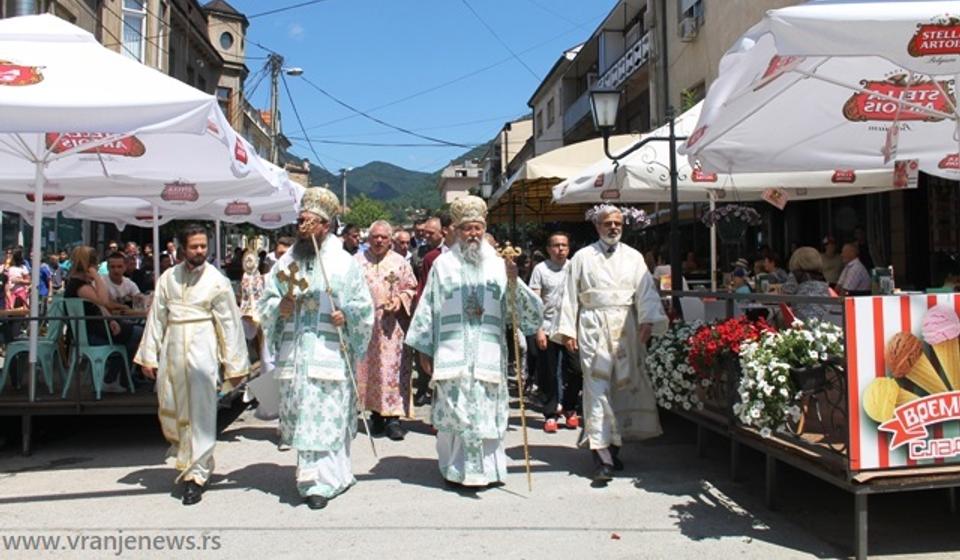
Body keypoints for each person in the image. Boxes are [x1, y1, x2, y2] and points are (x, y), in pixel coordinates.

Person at [406, 196, 543, 488]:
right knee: (456, 414)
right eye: (467, 228)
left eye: (477, 228)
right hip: (451, 353)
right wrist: (424, 349)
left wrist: (514, 280)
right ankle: (455, 470)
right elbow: (428, 306)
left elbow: (521, 313)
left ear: (484, 229)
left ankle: (489, 470)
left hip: (487, 353)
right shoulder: (443, 265)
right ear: (456, 231)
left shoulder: (499, 265)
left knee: (486, 413)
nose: (473, 234)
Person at [258, 186, 374, 510]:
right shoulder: (287, 262)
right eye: (300, 221)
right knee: (305, 418)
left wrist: (346, 315)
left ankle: (327, 480)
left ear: (325, 225)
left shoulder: (344, 263)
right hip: (297, 356)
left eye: (310, 222)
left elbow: (363, 308)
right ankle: (311, 479)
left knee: (328, 418)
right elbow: (267, 301)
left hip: (330, 355)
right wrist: (279, 307)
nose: (303, 227)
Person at [134, 225, 249, 506]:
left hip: (202, 352)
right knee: (172, 406)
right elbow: (157, 317)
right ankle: (186, 460)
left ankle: (196, 474)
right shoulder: (168, 278)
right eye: (194, 246)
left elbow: (229, 323)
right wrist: (149, 355)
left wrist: (234, 364)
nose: (199, 251)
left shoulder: (217, 280)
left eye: (203, 246)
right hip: (172, 349)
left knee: (202, 412)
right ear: (183, 248)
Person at [553, 204, 668, 484]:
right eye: (608, 223)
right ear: (597, 226)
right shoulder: (582, 257)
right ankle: (601, 457)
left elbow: (646, 291)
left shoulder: (634, 257)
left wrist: (648, 320)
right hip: (593, 328)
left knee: (622, 390)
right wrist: (568, 330)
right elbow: (569, 295)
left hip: (626, 329)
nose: (613, 227)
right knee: (597, 390)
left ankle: (613, 448)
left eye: (618, 223)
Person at [354, 220, 418, 440]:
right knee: (370, 369)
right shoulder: (357, 261)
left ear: (390, 240)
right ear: (368, 238)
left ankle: (393, 419)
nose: (379, 240)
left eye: (383, 237)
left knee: (392, 370)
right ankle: (376, 416)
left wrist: (399, 300)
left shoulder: (400, 263)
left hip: (392, 328)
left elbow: (411, 288)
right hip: (365, 327)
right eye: (375, 237)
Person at [64, 246, 140, 394]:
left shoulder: (77, 284)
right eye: (97, 265)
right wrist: (97, 276)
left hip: (95, 330)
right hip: (92, 334)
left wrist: (111, 320)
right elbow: (103, 300)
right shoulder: (81, 287)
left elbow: (98, 306)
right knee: (138, 333)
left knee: (132, 336)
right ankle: (114, 378)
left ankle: (118, 377)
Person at [529, 232, 581, 433]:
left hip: (571, 328)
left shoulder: (575, 267)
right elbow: (535, 301)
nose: (560, 249)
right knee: (549, 372)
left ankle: (569, 407)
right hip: (548, 326)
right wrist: (539, 330)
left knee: (576, 369)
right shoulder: (540, 270)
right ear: (548, 249)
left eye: (564, 245)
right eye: (556, 245)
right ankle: (550, 413)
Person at [781, 247, 832, 323]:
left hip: (803, 318)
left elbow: (785, 297)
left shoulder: (796, 275)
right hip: (824, 318)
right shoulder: (821, 277)